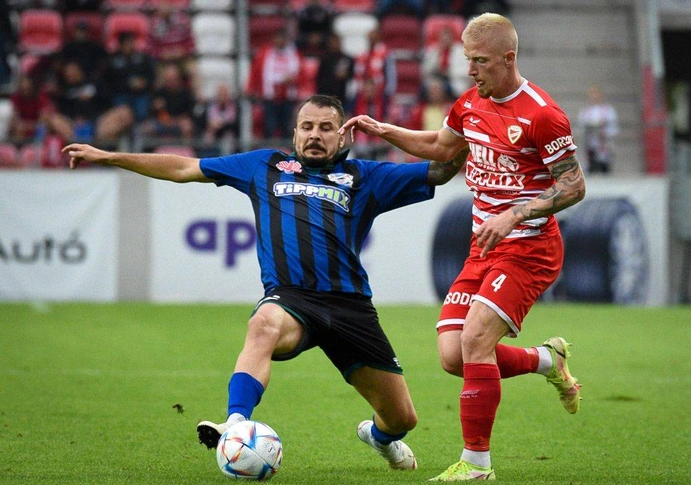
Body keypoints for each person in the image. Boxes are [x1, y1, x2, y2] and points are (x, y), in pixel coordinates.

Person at [62, 94, 469, 471]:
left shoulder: (366, 176)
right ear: (294, 133)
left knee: (402, 419)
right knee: (263, 324)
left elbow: (442, 169)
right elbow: (184, 168)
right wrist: (110, 156)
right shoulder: (264, 166)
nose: (314, 134)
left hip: (351, 307)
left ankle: (379, 438)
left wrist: (474, 135)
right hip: (292, 300)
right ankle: (235, 423)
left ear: (344, 135)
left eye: (326, 127)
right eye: (306, 126)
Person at [340, 13, 586, 481]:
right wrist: (384, 130)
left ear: (508, 58)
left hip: (529, 247)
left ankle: (476, 464)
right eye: (467, 60)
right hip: (483, 247)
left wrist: (514, 214)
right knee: (454, 356)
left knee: (475, 342)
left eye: (480, 61)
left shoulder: (542, 114)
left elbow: (574, 186)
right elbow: (440, 146)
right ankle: (546, 360)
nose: (471, 70)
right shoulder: (471, 102)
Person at [577, 85, 619, 174]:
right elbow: (581, 125)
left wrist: (605, 132)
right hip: (590, 141)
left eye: (596, 95)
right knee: (591, 165)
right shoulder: (585, 111)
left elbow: (613, 125)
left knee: (604, 165)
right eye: (592, 95)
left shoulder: (608, 110)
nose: (594, 97)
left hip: (603, 141)